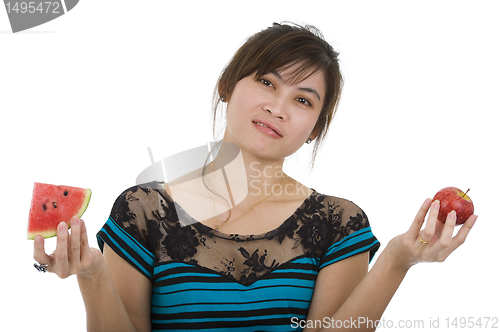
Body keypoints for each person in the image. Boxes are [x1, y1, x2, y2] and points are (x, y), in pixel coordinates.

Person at [33, 22, 477, 332]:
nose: (278, 107)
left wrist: (398, 259)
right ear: (228, 85)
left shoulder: (339, 223)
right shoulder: (143, 210)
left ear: (314, 129)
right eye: (267, 82)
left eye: (303, 101)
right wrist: (91, 274)